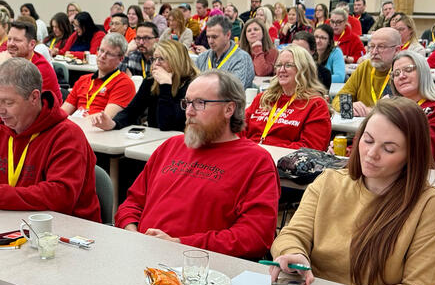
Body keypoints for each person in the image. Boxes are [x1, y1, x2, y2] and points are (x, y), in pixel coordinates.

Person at [270, 97, 435, 285]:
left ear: (411, 155)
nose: (371, 154)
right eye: (367, 140)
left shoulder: (430, 206)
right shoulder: (329, 181)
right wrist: (293, 253)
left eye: (389, 149)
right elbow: (293, 234)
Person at [114, 69, 279, 257]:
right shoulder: (171, 146)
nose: (189, 111)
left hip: (201, 270)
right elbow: (132, 203)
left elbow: (254, 236)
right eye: (187, 103)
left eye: (200, 103)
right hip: (141, 253)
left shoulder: (256, 162)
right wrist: (132, 233)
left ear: (229, 109)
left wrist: (179, 244)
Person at [0, 58, 100, 222]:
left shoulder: (67, 135)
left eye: (9, 102)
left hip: (67, 232)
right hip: (14, 223)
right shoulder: (3, 128)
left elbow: (60, 197)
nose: (1, 110)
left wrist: (3, 195)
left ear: (34, 97)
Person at [90, 40, 198, 132]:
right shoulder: (151, 81)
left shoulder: (193, 85)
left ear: (176, 61)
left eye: (161, 59)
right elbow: (131, 111)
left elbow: (168, 126)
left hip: (180, 143)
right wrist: (113, 124)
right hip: (153, 141)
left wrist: (165, 86)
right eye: (154, 59)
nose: (156, 64)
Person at [243, 44, 331, 150]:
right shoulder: (264, 98)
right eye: (279, 65)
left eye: (288, 65)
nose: (281, 70)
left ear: (303, 69)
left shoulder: (315, 104)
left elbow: (310, 148)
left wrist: (264, 150)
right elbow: (238, 129)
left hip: (284, 163)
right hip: (250, 156)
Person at [391, 51, 435, 161]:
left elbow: (424, 155)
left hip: (421, 175)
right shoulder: (391, 109)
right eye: (396, 73)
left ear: (423, 72)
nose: (401, 76)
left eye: (408, 69)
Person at [62, 32, 135, 118]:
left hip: (99, 129)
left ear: (120, 59)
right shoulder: (83, 79)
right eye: (101, 50)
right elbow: (63, 113)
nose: (102, 56)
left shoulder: (124, 84)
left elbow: (105, 119)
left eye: (109, 54)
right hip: (76, 126)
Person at [332, 28, 400, 116]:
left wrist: (372, 112)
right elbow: (338, 99)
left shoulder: (401, 72)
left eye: (381, 47)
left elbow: (401, 110)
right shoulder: (365, 67)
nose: (374, 52)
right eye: (372, 46)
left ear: (397, 50)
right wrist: (349, 106)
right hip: (358, 126)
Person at [2, 21, 61, 104]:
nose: (10, 44)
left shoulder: (40, 68)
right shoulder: (13, 60)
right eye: (9, 39)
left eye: (17, 40)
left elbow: (21, 103)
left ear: (32, 44)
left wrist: (3, 68)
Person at [196, 15, 254, 89]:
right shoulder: (202, 58)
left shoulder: (241, 58)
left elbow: (234, 91)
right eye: (208, 37)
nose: (210, 41)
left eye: (214, 37)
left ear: (228, 35)